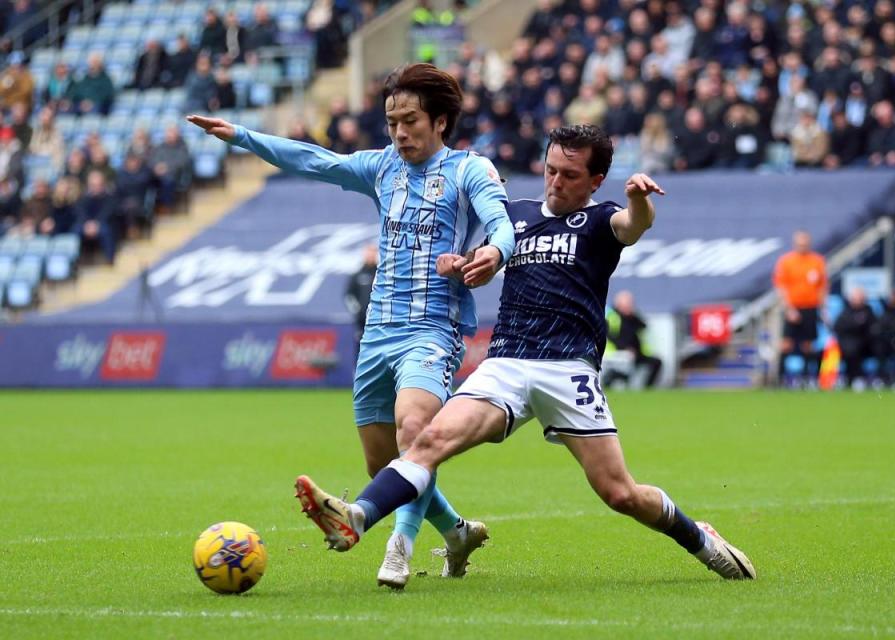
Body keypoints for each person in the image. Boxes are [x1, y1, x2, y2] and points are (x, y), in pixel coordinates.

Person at [293, 125, 756, 585]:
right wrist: (460, 266)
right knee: (427, 443)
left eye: (570, 175)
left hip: (567, 370)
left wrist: (638, 198)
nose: (555, 181)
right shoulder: (514, 216)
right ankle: (357, 517)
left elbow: (634, 225)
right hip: (506, 365)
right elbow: (482, 256)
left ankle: (700, 539)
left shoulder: (601, 220)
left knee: (620, 493)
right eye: (550, 169)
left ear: (596, 181)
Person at [187, 62, 515, 590]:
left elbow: (501, 222)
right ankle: (455, 532)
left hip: (434, 328)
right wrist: (243, 137)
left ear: (440, 122)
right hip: (377, 333)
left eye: (410, 120)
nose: (400, 132)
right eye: (391, 122)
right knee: (383, 464)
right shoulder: (381, 167)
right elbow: (316, 160)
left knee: (415, 434)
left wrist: (493, 251)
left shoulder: (469, 171)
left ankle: (397, 548)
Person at [773, 230, 827, 386]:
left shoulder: (817, 261)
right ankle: (779, 380)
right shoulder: (786, 261)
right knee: (786, 344)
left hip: (810, 307)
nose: (802, 247)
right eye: (800, 244)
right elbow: (781, 287)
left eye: (805, 244)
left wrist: (823, 308)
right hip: (793, 307)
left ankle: (808, 380)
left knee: (808, 345)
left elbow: (822, 287)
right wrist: (789, 309)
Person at [605, 290, 663, 388]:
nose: (630, 306)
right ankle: (610, 379)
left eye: (631, 303)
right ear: (618, 304)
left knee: (657, 362)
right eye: (627, 303)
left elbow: (644, 326)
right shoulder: (612, 317)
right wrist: (625, 348)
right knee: (625, 369)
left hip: (636, 353)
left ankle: (647, 389)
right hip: (618, 353)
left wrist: (633, 315)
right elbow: (610, 337)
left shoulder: (632, 317)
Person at [832, 287, 876, 389]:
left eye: (860, 298)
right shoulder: (846, 311)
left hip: (865, 343)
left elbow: (873, 327)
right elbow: (838, 327)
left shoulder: (868, 311)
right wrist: (855, 325)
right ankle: (849, 378)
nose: (857, 300)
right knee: (849, 350)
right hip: (847, 343)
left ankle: (861, 378)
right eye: (855, 298)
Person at [344, 243, 378, 348]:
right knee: (361, 346)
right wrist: (358, 311)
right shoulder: (357, 275)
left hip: (379, 318)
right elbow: (348, 295)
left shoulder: (382, 274)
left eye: (373, 253)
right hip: (362, 320)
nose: (370, 256)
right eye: (368, 253)